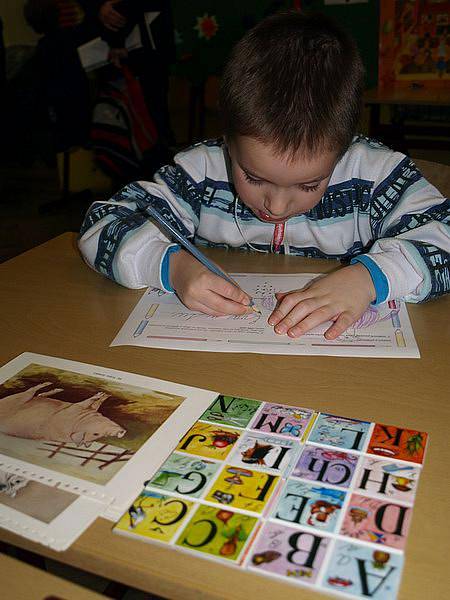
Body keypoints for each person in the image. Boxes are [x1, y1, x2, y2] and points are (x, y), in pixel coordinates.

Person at [78, 11, 449, 340]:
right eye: (254, 177)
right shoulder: (200, 172)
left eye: (308, 184)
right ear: (229, 140)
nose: (276, 205)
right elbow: (103, 222)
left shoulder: (375, 175)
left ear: (344, 148)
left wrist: (370, 279)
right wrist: (170, 266)